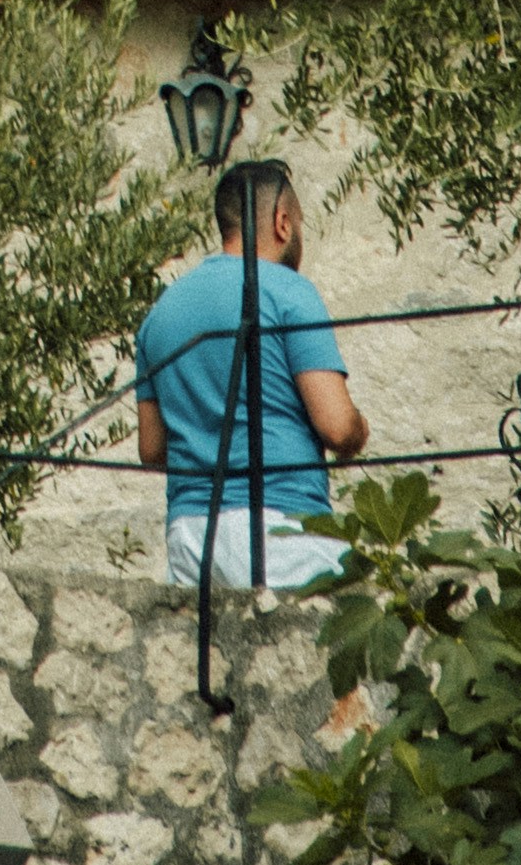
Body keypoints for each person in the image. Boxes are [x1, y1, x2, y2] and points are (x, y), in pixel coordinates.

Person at [133, 158, 364, 589]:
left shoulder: (159, 314)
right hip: (281, 528)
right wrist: (358, 430)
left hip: (190, 535)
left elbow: (152, 449)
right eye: (299, 222)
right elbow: (337, 426)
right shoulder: (290, 292)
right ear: (282, 223)